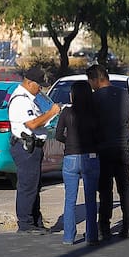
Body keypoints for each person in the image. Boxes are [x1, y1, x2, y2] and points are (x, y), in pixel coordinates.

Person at [86, 64, 129, 239]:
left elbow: (90, 125)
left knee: (105, 190)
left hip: (103, 149)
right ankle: (128, 226)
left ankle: (105, 228)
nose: (90, 85)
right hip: (122, 148)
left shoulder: (94, 99)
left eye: (90, 81)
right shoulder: (125, 95)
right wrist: (125, 136)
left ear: (96, 79)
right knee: (125, 188)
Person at [8, 67, 60, 234]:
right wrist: (51, 113)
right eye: (39, 85)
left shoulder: (31, 98)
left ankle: (35, 221)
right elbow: (31, 124)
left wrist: (49, 116)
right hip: (25, 147)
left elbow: (38, 121)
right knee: (27, 186)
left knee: (34, 185)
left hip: (34, 146)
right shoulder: (21, 100)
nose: (41, 89)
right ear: (29, 82)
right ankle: (25, 224)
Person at [55, 80, 100, 246]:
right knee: (90, 198)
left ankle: (68, 237)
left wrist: (68, 142)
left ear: (73, 95)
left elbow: (58, 134)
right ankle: (91, 236)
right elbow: (101, 135)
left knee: (69, 199)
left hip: (71, 157)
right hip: (91, 156)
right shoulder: (96, 112)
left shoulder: (67, 112)